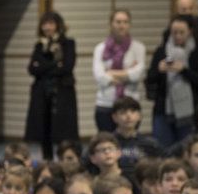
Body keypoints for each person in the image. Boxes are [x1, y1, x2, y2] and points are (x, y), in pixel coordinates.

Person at [25, 11, 79, 160]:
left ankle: (66, 161)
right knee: (44, 130)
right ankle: (47, 161)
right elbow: (32, 68)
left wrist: (43, 66)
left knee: (63, 132)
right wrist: (54, 63)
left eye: (50, 23)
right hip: (42, 93)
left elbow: (67, 67)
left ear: (58, 25)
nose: (47, 27)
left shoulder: (68, 43)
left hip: (62, 92)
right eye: (44, 24)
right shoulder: (39, 45)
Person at [146, 15, 198, 146]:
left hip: (190, 112)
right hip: (163, 109)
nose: (178, 36)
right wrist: (159, 70)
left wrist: (184, 70)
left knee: (187, 151)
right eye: (174, 32)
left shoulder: (195, 53)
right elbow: (149, 80)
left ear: (190, 31)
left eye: (182, 32)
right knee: (162, 151)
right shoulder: (161, 51)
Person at [92, 10, 146, 132]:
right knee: (107, 142)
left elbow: (137, 74)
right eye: (118, 22)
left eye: (125, 22)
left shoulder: (138, 48)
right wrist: (127, 73)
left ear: (129, 25)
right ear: (111, 24)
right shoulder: (100, 48)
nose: (122, 25)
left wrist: (110, 72)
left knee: (129, 144)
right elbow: (99, 76)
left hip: (130, 103)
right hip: (105, 103)